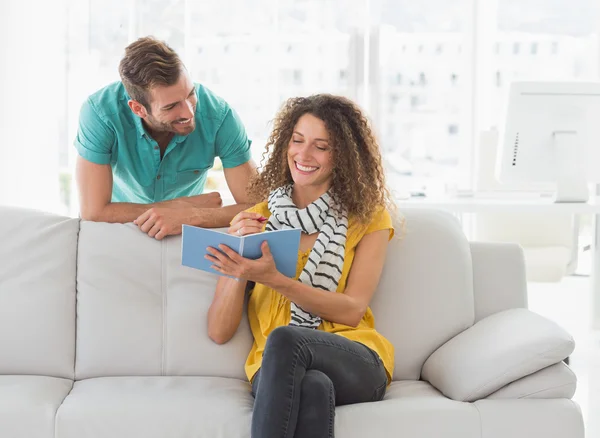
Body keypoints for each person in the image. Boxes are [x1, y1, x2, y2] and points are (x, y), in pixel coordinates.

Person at [205, 94, 397, 438]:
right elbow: (219, 332)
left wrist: (274, 280)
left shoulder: (367, 218)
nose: (304, 155)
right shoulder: (258, 218)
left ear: (344, 156)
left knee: (286, 339)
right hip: (275, 368)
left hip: (354, 357)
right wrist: (239, 264)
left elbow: (352, 310)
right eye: (297, 141)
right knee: (313, 386)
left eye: (321, 146)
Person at [74, 36, 257, 239]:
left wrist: (193, 215)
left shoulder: (220, 116)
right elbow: (93, 212)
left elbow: (256, 207)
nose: (188, 113)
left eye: (190, 94)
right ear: (138, 109)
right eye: (171, 106)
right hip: (119, 230)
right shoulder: (100, 114)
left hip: (186, 232)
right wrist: (180, 208)